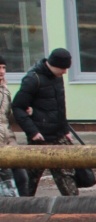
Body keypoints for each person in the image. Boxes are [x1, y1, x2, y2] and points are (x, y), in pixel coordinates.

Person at [12, 47, 77, 197]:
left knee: (67, 176)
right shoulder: (33, 79)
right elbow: (18, 107)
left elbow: (60, 107)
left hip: (58, 135)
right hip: (40, 138)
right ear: (53, 64)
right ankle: (22, 210)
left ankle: (74, 209)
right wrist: (33, 132)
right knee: (30, 179)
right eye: (63, 68)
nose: (65, 72)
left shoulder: (57, 77)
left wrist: (65, 130)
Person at [0, 55, 29, 196]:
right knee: (8, 184)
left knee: (21, 177)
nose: (2, 71)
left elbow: (5, 116)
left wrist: (24, 112)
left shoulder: (4, 90)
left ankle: (25, 211)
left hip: (8, 140)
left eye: (3, 67)